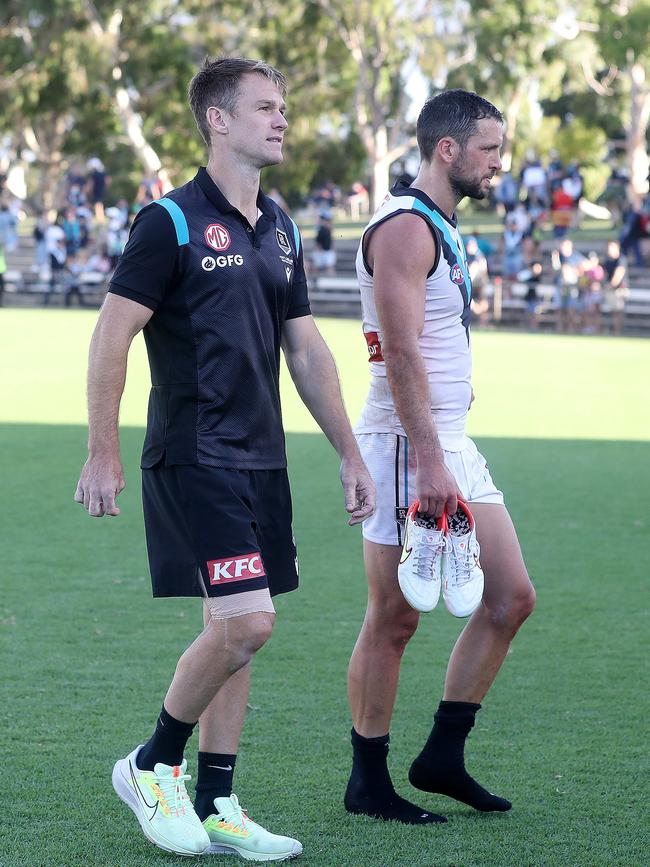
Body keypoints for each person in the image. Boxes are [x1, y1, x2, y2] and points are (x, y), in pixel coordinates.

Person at [74, 56, 375, 860]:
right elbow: (112, 334)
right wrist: (102, 450)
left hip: (262, 461)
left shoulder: (279, 226)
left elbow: (305, 348)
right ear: (217, 118)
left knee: (235, 630)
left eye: (284, 107)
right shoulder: (167, 221)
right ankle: (151, 762)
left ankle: (218, 800)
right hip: (193, 454)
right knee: (248, 621)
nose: (282, 120)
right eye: (266, 107)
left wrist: (348, 450)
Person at [346, 89, 535, 826]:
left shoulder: (441, 226)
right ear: (447, 150)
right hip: (407, 442)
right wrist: (428, 459)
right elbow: (397, 351)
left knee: (510, 596)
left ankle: (442, 757)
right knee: (394, 616)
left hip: (449, 439)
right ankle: (368, 779)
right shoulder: (402, 228)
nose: (499, 162)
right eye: (490, 148)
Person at [312, 209, 337, 275]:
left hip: (327, 250)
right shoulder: (321, 229)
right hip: (321, 251)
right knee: (317, 267)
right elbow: (318, 242)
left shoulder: (327, 229)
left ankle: (331, 280)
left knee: (330, 267)